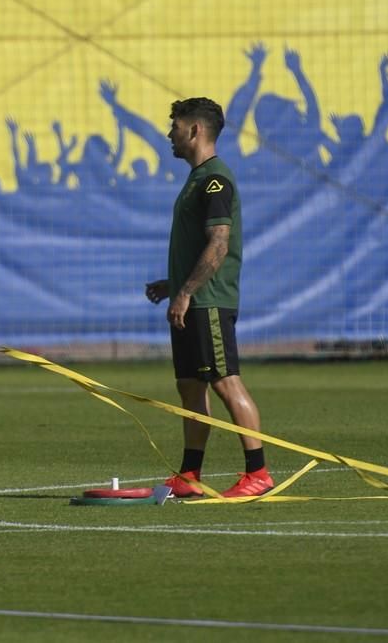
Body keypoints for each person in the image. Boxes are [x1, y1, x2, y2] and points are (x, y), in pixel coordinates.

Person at [144, 97, 274, 499]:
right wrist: (174, 284)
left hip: (208, 301)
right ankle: (190, 475)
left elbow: (219, 244)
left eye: (176, 126)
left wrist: (185, 292)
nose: (170, 134)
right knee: (189, 387)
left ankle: (259, 472)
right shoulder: (197, 179)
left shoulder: (215, 179)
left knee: (224, 381)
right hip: (191, 298)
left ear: (195, 130)